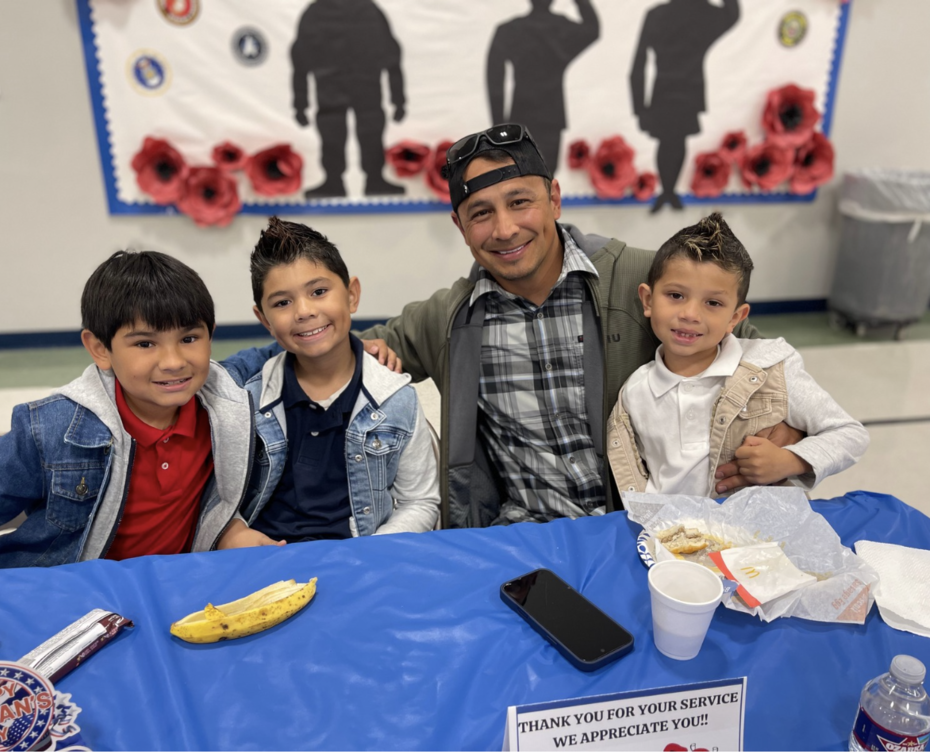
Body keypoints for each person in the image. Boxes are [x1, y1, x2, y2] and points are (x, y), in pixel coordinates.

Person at [357, 123, 802, 528]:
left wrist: (794, 442)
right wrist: (364, 356)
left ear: (554, 198)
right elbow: (333, 353)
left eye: (519, 202)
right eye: (481, 213)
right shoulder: (448, 318)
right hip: (525, 537)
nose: (506, 229)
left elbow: (769, 365)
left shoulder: (648, 282)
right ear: (460, 225)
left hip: (647, 529)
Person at [0, 251, 257, 570]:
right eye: (145, 343)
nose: (173, 362)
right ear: (100, 349)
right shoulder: (53, 430)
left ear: (210, 335)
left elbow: (280, 350)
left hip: (163, 593)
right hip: (52, 594)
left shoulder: (222, 399)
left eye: (189, 338)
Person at [215, 218, 440, 549]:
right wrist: (233, 530)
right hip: (265, 560)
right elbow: (217, 496)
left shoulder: (395, 398)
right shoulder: (246, 400)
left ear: (351, 296)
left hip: (365, 558)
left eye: (319, 292)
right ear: (264, 319)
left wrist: (374, 552)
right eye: (282, 303)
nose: (304, 311)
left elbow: (419, 502)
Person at [607, 213, 869, 496]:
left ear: (735, 317)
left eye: (713, 302)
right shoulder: (634, 393)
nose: (689, 314)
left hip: (760, 534)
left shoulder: (772, 367)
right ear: (647, 300)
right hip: (673, 536)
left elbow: (850, 434)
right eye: (675, 295)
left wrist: (789, 460)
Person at [629, 0, 739, 212]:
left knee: (672, 139)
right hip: (677, 90)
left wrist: (639, 107)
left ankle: (668, 191)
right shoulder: (702, 13)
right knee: (673, 140)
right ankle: (668, 191)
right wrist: (639, 107)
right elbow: (731, 14)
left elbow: (639, 62)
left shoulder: (663, 14)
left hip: (676, 90)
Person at [291, 0, 406, 199]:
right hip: (336, 86)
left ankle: (372, 179)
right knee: (333, 131)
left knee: (367, 129)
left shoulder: (366, 10)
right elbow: (300, 58)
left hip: (360, 84)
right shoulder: (320, 12)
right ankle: (336, 180)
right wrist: (300, 104)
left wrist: (399, 99)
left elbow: (391, 54)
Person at [486, 0, 600, 172]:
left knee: (521, 176)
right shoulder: (562, 28)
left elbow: (495, 80)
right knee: (546, 176)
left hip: (521, 114)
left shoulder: (510, 29)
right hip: (551, 116)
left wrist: (499, 125)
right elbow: (592, 29)